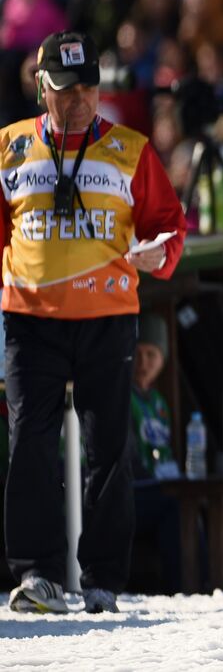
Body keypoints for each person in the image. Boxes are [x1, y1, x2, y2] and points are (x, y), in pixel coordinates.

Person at [4, 31, 186, 614]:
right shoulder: (7, 148)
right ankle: (38, 573)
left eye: (88, 87)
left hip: (108, 316)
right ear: (41, 88)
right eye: (65, 88)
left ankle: (104, 578)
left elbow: (169, 225)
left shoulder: (131, 149)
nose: (79, 99)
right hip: (29, 320)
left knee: (110, 446)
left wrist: (161, 251)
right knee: (29, 443)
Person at [128, 312, 193, 594]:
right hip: (132, 493)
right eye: (138, 353)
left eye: (151, 354)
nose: (143, 362)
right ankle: (183, 589)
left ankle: (209, 580)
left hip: (159, 486)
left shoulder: (158, 402)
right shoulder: (122, 397)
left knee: (192, 503)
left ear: (163, 359)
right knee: (174, 507)